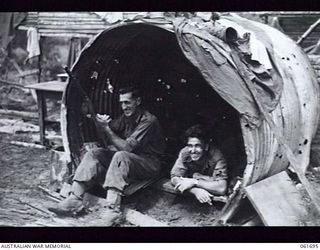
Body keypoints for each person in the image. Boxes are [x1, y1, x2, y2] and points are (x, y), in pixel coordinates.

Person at [49, 86, 166, 226]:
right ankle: (75, 198)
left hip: (149, 163)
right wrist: (94, 117)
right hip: (130, 160)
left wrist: (106, 128)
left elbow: (126, 147)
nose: (124, 107)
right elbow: (106, 131)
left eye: (127, 102)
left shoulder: (148, 121)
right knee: (94, 153)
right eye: (121, 103)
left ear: (138, 101)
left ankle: (112, 210)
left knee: (121, 155)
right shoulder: (126, 117)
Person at [170, 125, 228, 205]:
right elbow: (174, 177)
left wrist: (195, 182)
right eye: (190, 146)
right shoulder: (185, 152)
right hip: (202, 185)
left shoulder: (217, 156)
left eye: (197, 146)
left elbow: (222, 188)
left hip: (210, 183)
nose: (193, 150)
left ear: (206, 146)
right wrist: (195, 190)